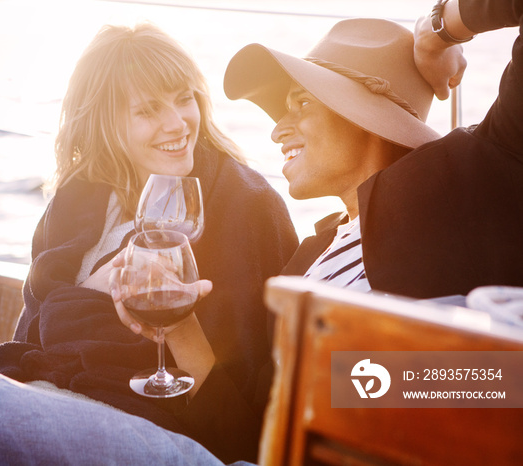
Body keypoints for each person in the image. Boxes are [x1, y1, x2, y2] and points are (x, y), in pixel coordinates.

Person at [0, 23, 298, 464]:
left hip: (160, 422)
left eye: (184, 99)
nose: (177, 124)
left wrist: (176, 325)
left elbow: (259, 410)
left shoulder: (248, 207)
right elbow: (30, 335)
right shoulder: (79, 199)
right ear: (107, 120)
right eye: (148, 110)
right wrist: (92, 290)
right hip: (62, 394)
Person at [224, 0, 523, 300]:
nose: (277, 131)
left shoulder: (465, 183)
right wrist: (180, 323)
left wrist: (438, 32)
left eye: (302, 103)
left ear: (362, 115)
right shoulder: (306, 260)